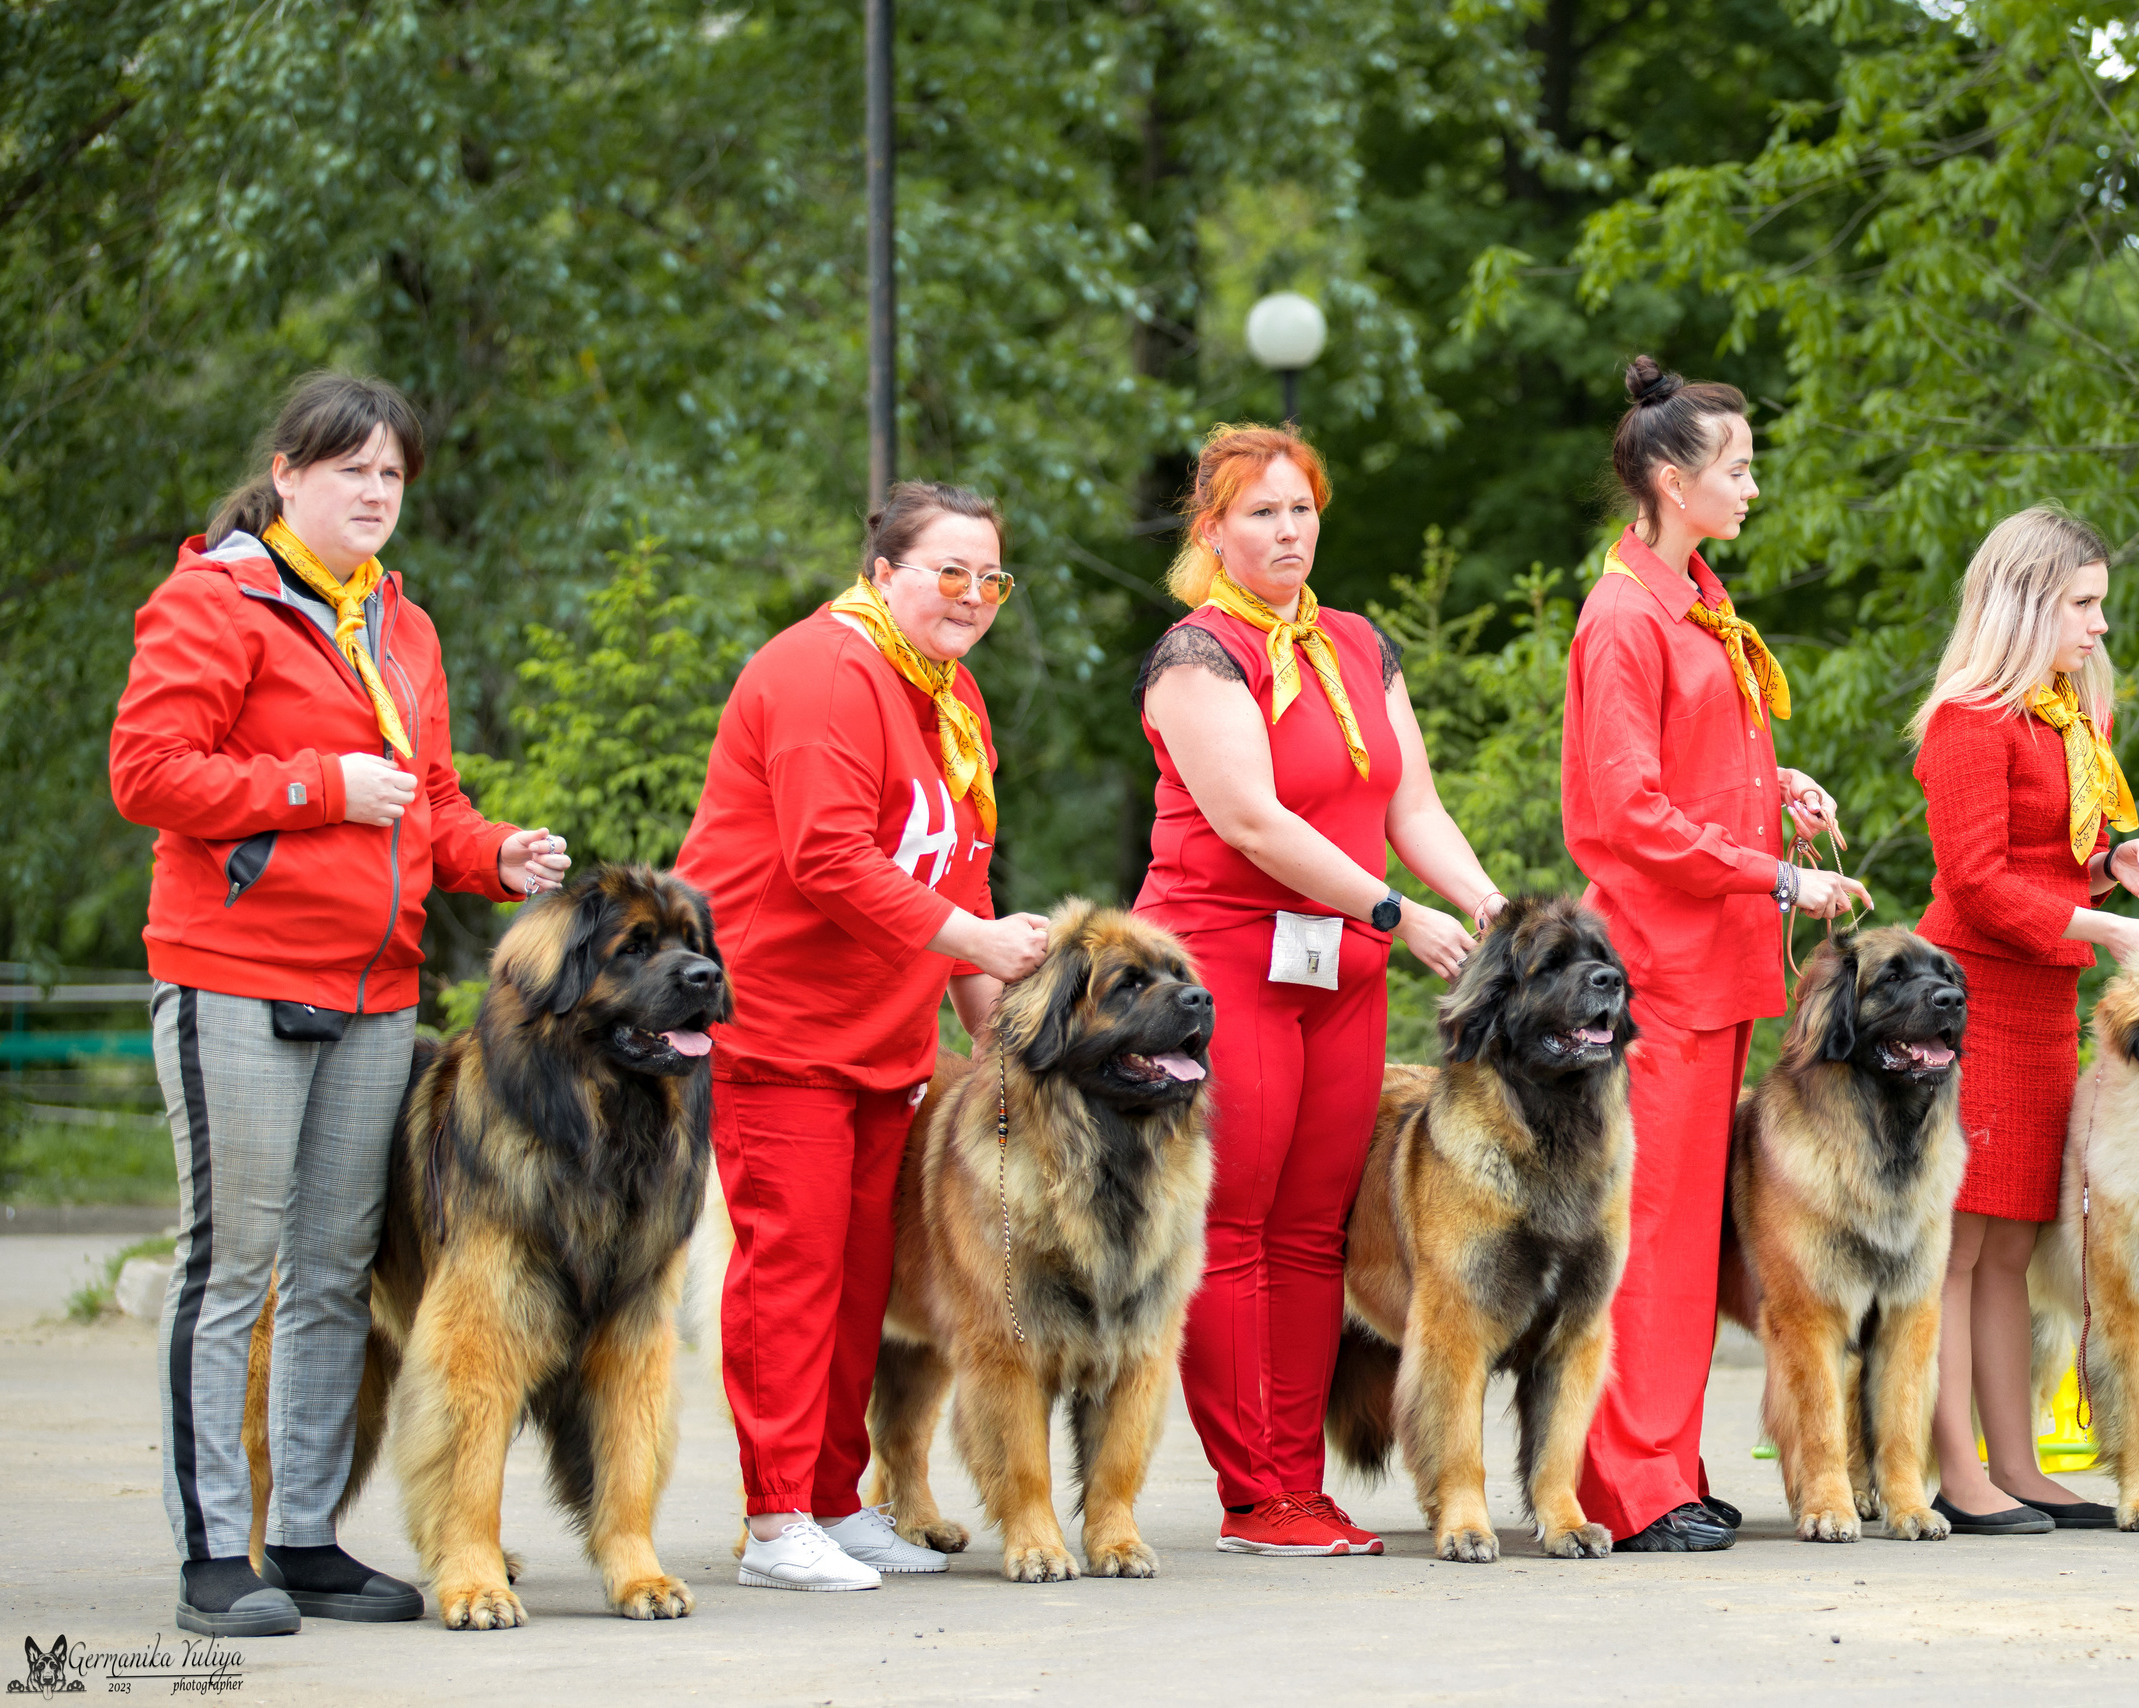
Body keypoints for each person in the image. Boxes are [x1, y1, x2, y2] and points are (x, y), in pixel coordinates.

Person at [110, 371, 571, 1637]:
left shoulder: (398, 622)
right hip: (235, 979)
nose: (376, 493)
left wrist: (496, 854)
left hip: (375, 994)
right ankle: (220, 1550)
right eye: (352, 470)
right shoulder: (214, 600)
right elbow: (147, 773)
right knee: (232, 1270)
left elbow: (425, 793)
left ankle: (307, 1538)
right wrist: (317, 787)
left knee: (330, 1273)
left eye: (393, 476)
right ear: (288, 474)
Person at [1134, 423, 1506, 1557]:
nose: (1286, 530)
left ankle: (1296, 1482)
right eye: (1260, 513)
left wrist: (1490, 912)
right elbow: (1252, 819)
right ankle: (1256, 1493)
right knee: (1234, 1226)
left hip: (1337, 968)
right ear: (1213, 529)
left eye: (1300, 509)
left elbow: (1413, 811)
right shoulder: (1198, 656)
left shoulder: (1354, 642)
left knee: (1311, 1233)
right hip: (1225, 964)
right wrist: (1394, 913)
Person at [673, 481, 1050, 1592]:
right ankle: (775, 1514)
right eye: (949, 570)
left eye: (991, 577)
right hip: (779, 1025)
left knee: (859, 1276)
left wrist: (997, 1058)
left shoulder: (951, 692)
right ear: (883, 570)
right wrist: (976, 939)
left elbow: (962, 879)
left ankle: (837, 1499)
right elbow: (826, 859)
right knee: (789, 1273)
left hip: (884, 1042)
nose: (973, 594)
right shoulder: (825, 669)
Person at [1561, 357, 1870, 1553]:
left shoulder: (1696, 601)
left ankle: (1667, 1466)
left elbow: (1689, 771)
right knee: (1645, 1239)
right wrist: (1778, 876)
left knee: (1690, 1238)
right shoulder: (1624, 614)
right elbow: (1625, 812)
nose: (1752, 486)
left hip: (1714, 964)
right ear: (1668, 478)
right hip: (1657, 971)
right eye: (1736, 469)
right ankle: (1625, 1489)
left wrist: (1771, 788)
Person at [1909, 503, 2139, 1534]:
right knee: (1956, 1248)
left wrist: (2115, 863)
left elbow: (2059, 846)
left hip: (2038, 1000)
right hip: (1965, 999)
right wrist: (2099, 927)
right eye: (2082, 605)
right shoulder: (1967, 723)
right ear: (2024, 605)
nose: (2099, 625)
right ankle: (1950, 1469)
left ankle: (2016, 1462)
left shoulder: (2072, 716)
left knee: (2012, 1248)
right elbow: (1973, 882)